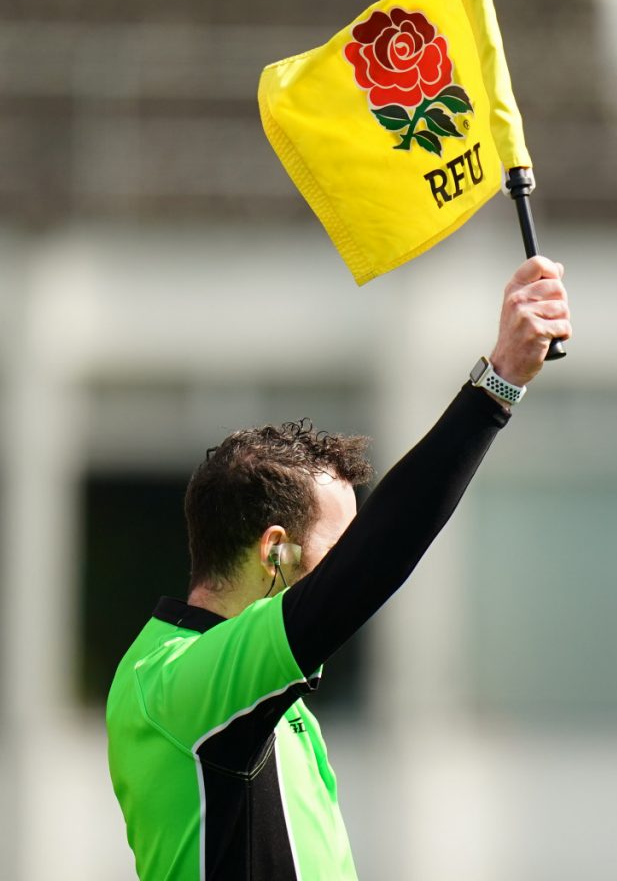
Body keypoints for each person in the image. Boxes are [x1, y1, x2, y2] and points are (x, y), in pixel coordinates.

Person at [106, 255, 571, 881]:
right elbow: (376, 558)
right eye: (338, 548)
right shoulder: (176, 683)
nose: (349, 565)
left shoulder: (265, 698)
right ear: (275, 551)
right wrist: (498, 384)